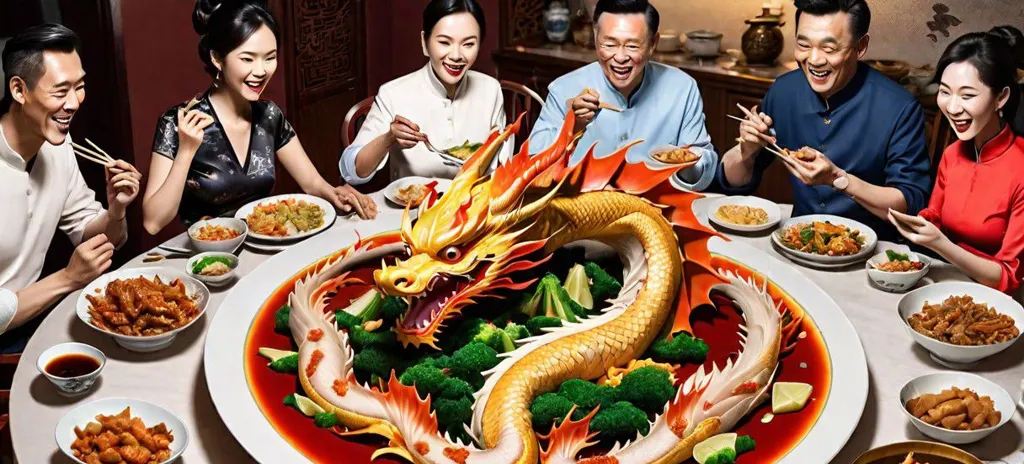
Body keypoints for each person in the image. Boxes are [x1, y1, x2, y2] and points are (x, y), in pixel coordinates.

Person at [143, 0, 376, 234]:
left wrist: (337, 194)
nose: (261, 70)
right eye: (247, 59)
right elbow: (152, 222)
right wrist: (186, 152)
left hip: (265, 243)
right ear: (217, 58)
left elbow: (312, 183)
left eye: (269, 57)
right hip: (206, 259)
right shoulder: (179, 122)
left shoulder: (269, 115)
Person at [718, 0, 930, 240]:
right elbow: (733, 182)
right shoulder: (783, 92)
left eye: (829, 49)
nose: (815, 60)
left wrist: (838, 179)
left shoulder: (899, 107)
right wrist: (746, 151)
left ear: (861, 47)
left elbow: (910, 204)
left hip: (872, 254)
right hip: (799, 242)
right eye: (803, 45)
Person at [0, 24, 142, 345]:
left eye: (79, 86)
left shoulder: (57, 145)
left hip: (36, 321)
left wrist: (116, 210)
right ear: (20, 90)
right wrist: (67, 278)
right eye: (61, 90)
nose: (75, 102)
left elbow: (96, 235)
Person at [887, 27, 1024, 294]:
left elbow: (1008, 276)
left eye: (967, 95)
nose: (952, 107)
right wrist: (918, 223)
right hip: (946, 282)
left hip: (1000, 302)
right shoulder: (953, 153)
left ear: (1001, 98)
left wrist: (940, 244)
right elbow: (935, 215)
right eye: (945, 91)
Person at [527, 0, 717, 192]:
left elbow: (702, 170)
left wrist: (688, 161)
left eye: (633, 46)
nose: (620, 57)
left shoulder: (682, 88)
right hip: (583, 210)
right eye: (609, 44)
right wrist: (572, 126)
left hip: (657, 210)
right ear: (595, 38)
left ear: (653, 44)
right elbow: (532, 164)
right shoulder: (564, 88)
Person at [339, 0, 509, 186]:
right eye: (444, 42)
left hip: (474, 207)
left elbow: (500, 163)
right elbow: (352, 171)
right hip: (412, 209)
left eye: (468, 44)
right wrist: (388, 139)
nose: (456, 55)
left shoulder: (491, 89)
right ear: (425, 42)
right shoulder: (393, 94)